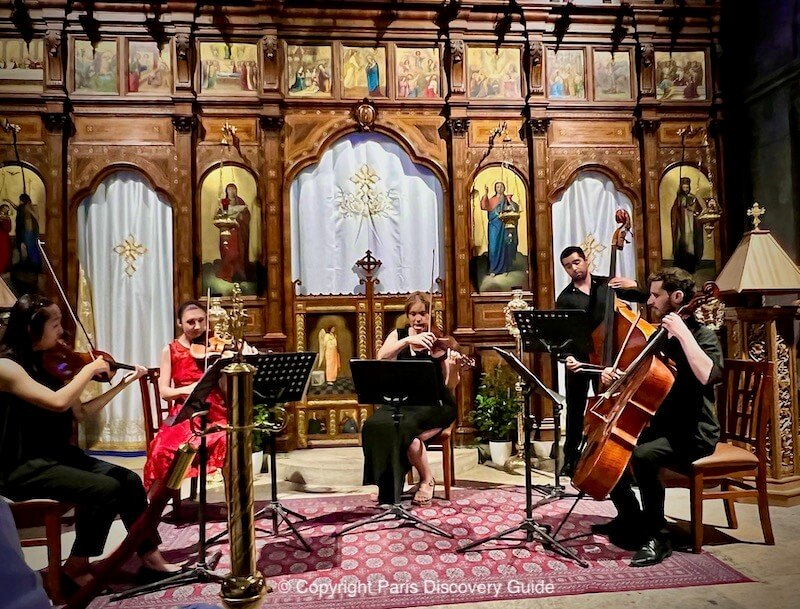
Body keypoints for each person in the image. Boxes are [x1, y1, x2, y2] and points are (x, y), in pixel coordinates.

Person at [0, 294, 180, 590]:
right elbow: (57, 403)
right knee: (106, 489)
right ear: (32, 327)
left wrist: (123, 384)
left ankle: (151, 560)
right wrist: (88, 368)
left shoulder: (45, 361)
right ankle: (76, 565)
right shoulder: (7, 367)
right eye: (56, 324)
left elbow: (79, 412)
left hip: (56, 456)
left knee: (128, 480)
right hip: (22, 465)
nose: (62, 332)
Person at [592, 267, 722, 567]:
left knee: (642, 456)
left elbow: (709, 376)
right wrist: (618, 376)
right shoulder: (661, 337)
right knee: (612, 451)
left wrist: (683, 334)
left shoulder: (702, 336)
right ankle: (630, 518)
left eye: (655, 295)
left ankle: (658, 536)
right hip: (663, 425)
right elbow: (647, 377)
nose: (649, 301)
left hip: (694, 433)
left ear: (677, 297)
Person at [361, 292, 463, 506]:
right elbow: (381, 357)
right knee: (373, 424)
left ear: (430, 315)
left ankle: (427, 479)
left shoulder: (439, 341)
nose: (418, 319)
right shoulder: (399, 335)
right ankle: (387, 486)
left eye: (423, 314)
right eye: (414, 314)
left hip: (436, 404)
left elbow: (449, 386)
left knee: (404, 430)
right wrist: (408, 340)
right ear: (407, 315)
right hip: (403, 402)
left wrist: (453, 369)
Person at [555, 246, 647, 476]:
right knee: (575, 410)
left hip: (610, 359)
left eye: (577, 262)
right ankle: (571, 459)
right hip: (581, 359)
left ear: (585, 261)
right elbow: (563, 336)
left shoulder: (607, 285)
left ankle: (615, 456)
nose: (574, 268)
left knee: (610, 407)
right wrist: (568, 359)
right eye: (568, 265)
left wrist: (632, 286)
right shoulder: (565, 298)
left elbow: (645, 298)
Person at [143, 300, 227, 490]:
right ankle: (151, 508)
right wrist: (187, 389)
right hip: (186, 413)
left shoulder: (216, 345)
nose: (198, 327)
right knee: (162, 450)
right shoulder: (171, 350)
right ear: (179, 323)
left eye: (201, 320)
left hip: (216, 412)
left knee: (229, 442)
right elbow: (164, 392)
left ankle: (234, 508)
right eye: (190, 322)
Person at [214, 183, 251, 283]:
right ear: (226, 191)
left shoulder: (240, 201)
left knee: (238, 252)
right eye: (230, 189)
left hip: (238, 232)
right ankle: (228, 273)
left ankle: (238, 273)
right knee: (229, 252)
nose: (232, 191)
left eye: (233, 189)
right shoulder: (224, 202)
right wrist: (222, 215)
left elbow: (246, 215)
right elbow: (219, 216)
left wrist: (240, 219)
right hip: (227, 231)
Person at [480, 181, 519, 276]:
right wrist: (485, 194)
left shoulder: (506, 199)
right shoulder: (493, 200)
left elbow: (514, 208)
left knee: (504, 246)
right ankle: (493, 269)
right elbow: (484, 206)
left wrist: (509, 200)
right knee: (493, 247)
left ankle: (504, 268)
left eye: (501, 187)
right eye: (498, 187)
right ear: (495, 189)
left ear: (504, 188)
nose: (500, 189)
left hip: (504, 226)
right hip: (494, 225)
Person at [670, 176, 704, 272]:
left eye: (687, 187)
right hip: (682, 225)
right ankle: (681, 263)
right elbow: (674, 212)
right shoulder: (678, 199)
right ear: (681, 187)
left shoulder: (693, 197)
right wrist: (680, 210)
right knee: (682, 242)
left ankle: (691, 263)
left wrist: (693, 209)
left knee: (691, 243)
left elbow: (698, 210)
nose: (686, 189)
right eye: (684, 187)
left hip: (691, 223)